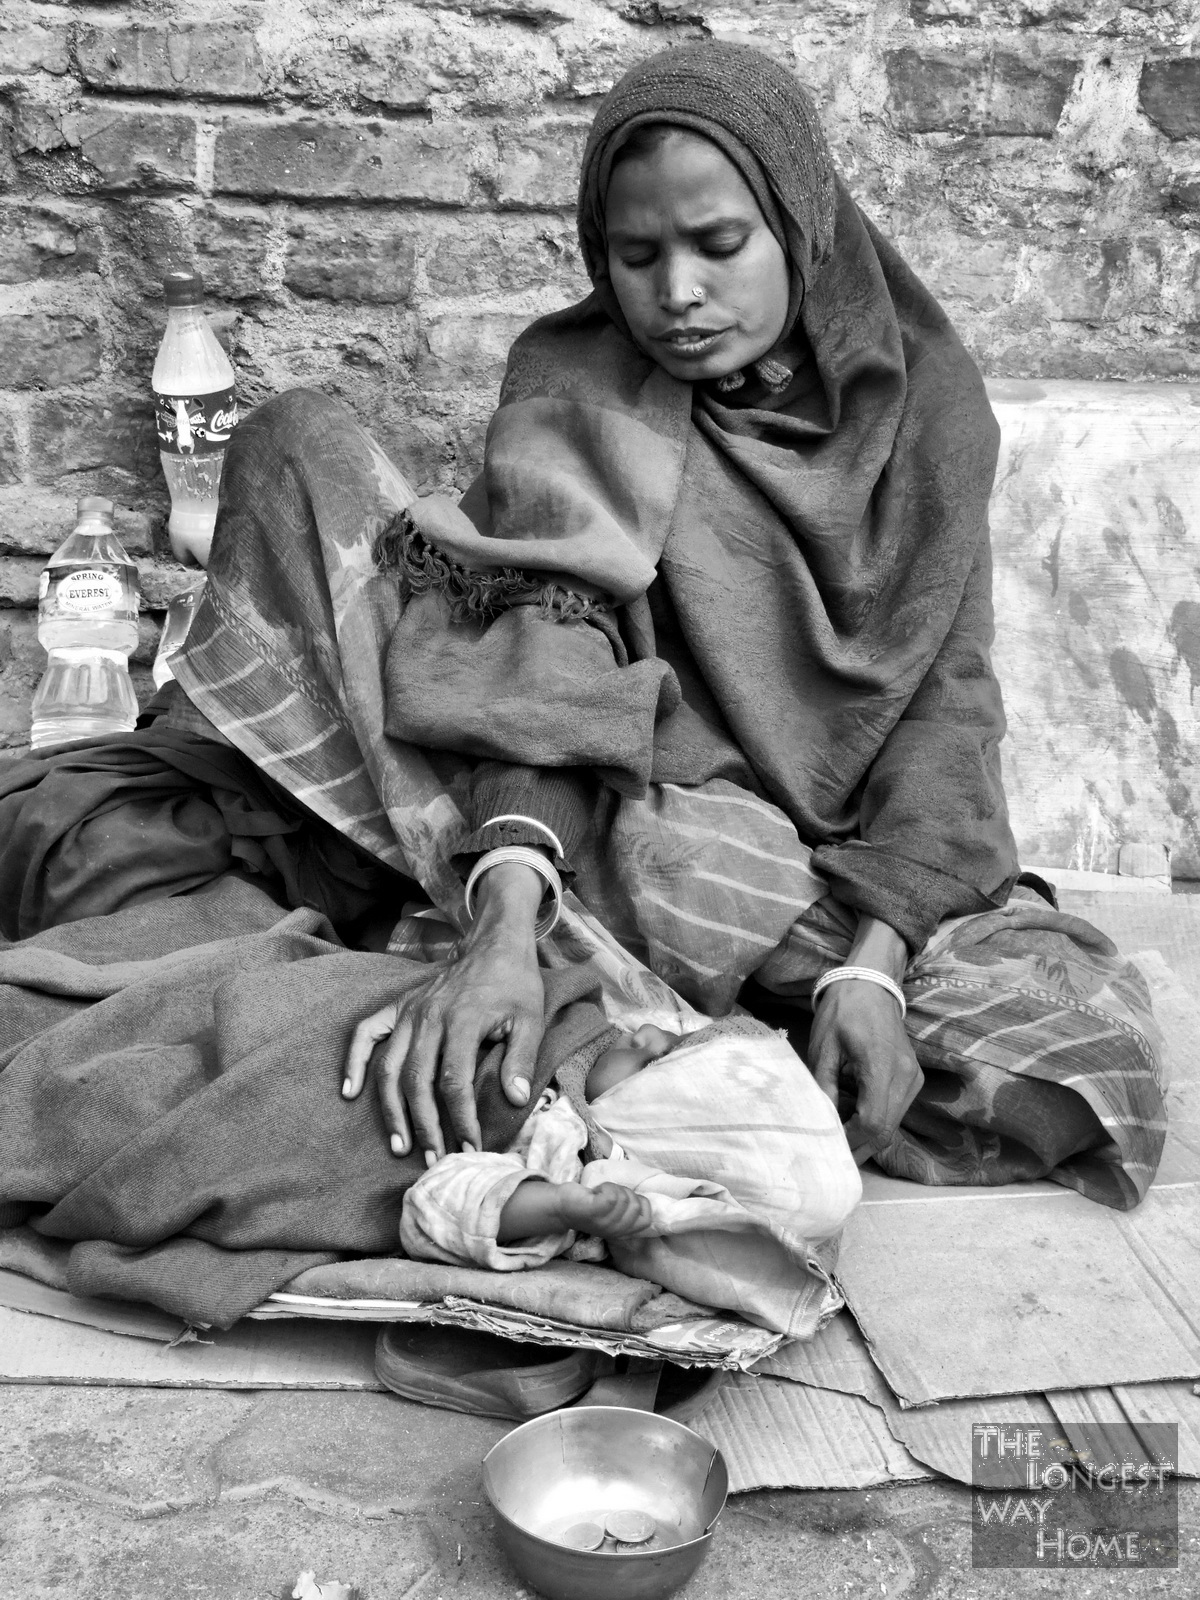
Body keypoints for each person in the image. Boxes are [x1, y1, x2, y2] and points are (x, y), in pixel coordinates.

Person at [0, 44, 1165, 1224]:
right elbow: (550, 660)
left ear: (800, 227)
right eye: (636, 255)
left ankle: (693, 1001)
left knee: (1068, 1036)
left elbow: (944, 700)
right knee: (302, 449)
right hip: (628, 806)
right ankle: (587, 971)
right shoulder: (580, 381)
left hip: (827, 869)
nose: (677, 294)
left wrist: (878, 951)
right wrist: (509, 923)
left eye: (719, 246)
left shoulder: (929, 410)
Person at [398, 1015, 864, 1337]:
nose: (643, 1031)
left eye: (653, 1061)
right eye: (668, 1034)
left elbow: (440, 1197)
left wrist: (559, 1205)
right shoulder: (593, 1042)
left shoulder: (574, 1150)